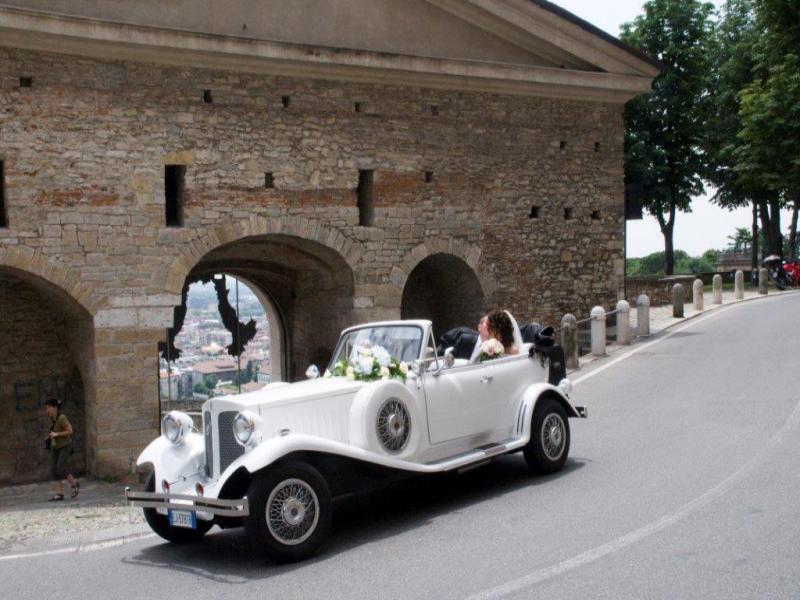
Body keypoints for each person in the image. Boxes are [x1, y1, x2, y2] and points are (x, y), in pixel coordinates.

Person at [44, 398, 79, 501]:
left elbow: (70, 430)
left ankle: (74, 484)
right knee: (53, 469)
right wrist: (49, 436)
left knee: (60, 467)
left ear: (55, 407)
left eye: (48, 408)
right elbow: (53, 430)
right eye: (46, 408)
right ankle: (59, 494)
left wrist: (57, 434)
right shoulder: (51, 418)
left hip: (65, 446)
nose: (47, 410)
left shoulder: (62, 417)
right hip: (55, 447)